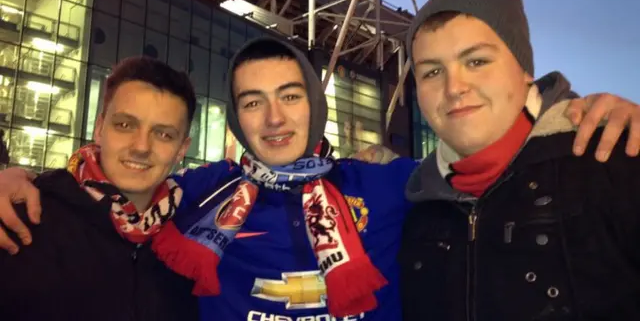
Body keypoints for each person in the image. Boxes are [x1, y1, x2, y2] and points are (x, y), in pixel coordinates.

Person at [0, 37, 638, 321]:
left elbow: (486, 163)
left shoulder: (391, 185)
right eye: (252, 102)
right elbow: (111, 197)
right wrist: (10, 174)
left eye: (289, 96)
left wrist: (569, 116)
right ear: (235, 116)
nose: (274, 118)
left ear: (316, 103)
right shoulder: (192, 194)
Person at [400, 0, 640, 320]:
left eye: (477, 61)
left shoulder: (613, 160)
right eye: (433, 72)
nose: (454, 88)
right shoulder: (419, 211)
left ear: (525, 70)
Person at [0, 56, 199, 321]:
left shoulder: (195, 238)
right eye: (125, 125)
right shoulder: (20, 219)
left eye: (163, 134)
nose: (141, 147)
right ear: (99, 129)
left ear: (181, 150)